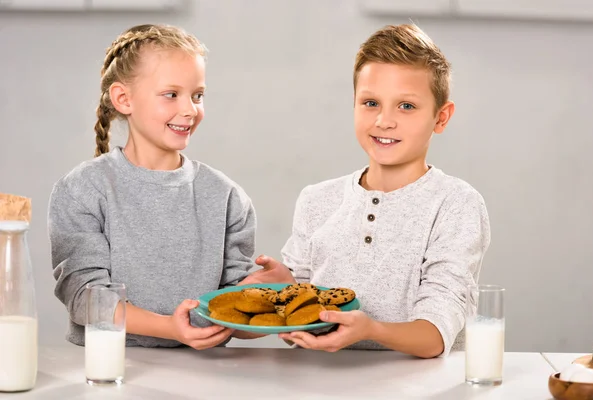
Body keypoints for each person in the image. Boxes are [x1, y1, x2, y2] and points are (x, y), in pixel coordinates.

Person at [244, 24, 491, 358]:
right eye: (371, 102)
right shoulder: (317, 200)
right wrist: (282, 286)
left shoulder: (456, 204)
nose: (384, 121)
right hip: (318, 382)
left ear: (441, 117)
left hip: (422, 388)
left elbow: (436, 333)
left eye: (406, 106)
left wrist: (371, 329)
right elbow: (296, 316)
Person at [49, 24, 257, 350]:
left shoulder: (227, 197)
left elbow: (238, 316)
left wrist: (271, 298)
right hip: (106, 372)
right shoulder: (82, 190)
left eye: (197, 95)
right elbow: (84, 298)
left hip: (204, 376)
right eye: (171, 94)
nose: (189, 109)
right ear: (123, 98)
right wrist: (171, 328)